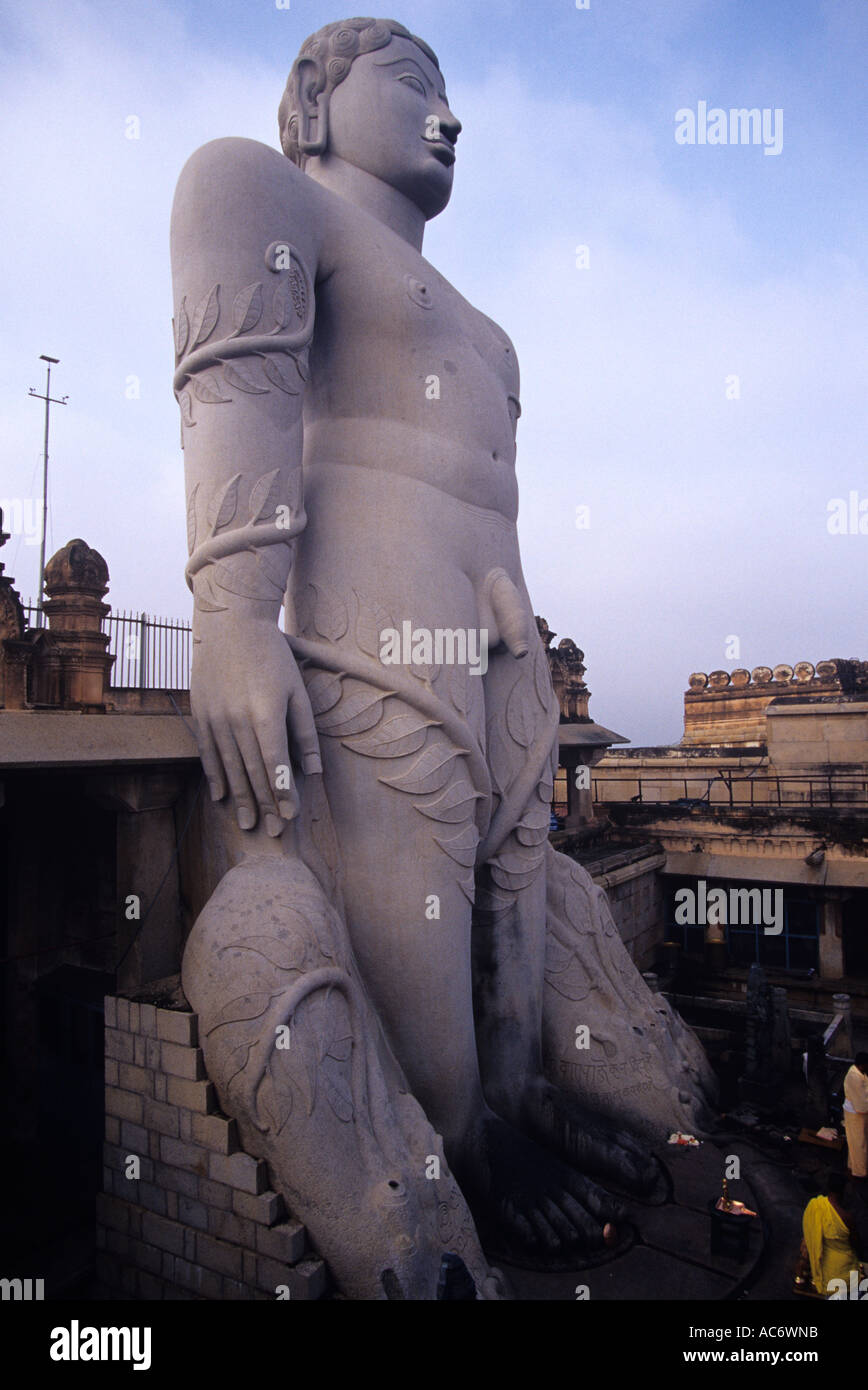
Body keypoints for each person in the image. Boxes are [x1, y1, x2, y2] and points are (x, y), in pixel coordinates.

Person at [171, 17, 714, 1287]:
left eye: (452, 90)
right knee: (408, 895)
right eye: (414, 84)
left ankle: (515, 1093)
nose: (447, 115)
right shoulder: (258, 185)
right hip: (378, 642)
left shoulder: (490, 333)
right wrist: (234, 616)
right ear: (314, 97)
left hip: (503, 657)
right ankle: (455, 1141)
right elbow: (234, 377)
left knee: (511, 903)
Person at [796, 1172, 862, 1298]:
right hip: (847, 1275)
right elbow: (856, 1245)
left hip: (826, 1274)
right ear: (843, 1191)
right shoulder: (846, 1217)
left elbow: (810, 1234)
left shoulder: (815, 1206)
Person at [843, 1052, 868, 1180]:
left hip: (857, 1112)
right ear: (862, 1065)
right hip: (855, 1113)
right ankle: (859, 1172)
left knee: (855, 1142)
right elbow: (861, 1104)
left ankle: (853, 1167)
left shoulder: (859, 1073)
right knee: (858, 1144)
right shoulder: (855, 1077)